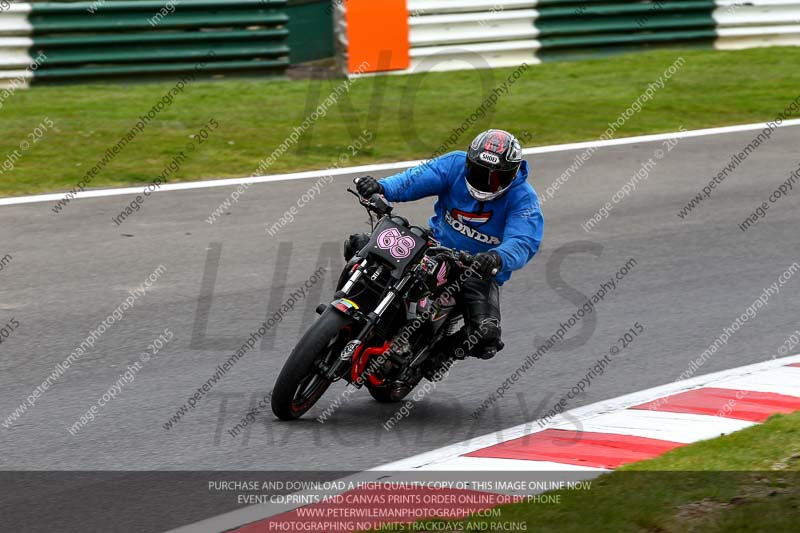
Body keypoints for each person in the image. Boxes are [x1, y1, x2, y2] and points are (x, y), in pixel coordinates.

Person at [354, 129, 543, 377]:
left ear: (513, 173)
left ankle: (441, 353)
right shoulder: (453, 165)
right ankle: (349, 310)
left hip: (477, 269)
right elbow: (415, 179)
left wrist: (496, 257)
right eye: (478, 171)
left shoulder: (523, 199)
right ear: (468, 162)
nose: (486, 181)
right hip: (434, 245)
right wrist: (381, 187)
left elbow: (523, 240)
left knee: (486, 334)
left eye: (495, 177)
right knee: (361, 244)